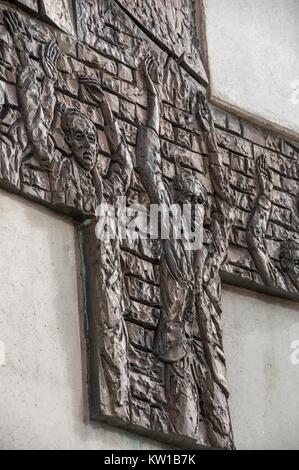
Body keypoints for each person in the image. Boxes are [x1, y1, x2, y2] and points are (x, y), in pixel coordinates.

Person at [136, 56, 235, 448]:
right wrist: (154, 100)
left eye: (199, 198)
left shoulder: (212, 251)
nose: (195, 203)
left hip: (213, 362)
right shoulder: (170, 232)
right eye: (187, 197)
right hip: (176, 352)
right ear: (176, 203)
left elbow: (225, 203)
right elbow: (148, 165)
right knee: (183, 438)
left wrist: (210, 140)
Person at [246, 154, 299, 293]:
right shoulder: (278, 282)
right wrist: (265, 196)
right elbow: (255, 241)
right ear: (284, 264)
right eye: (297, 264)